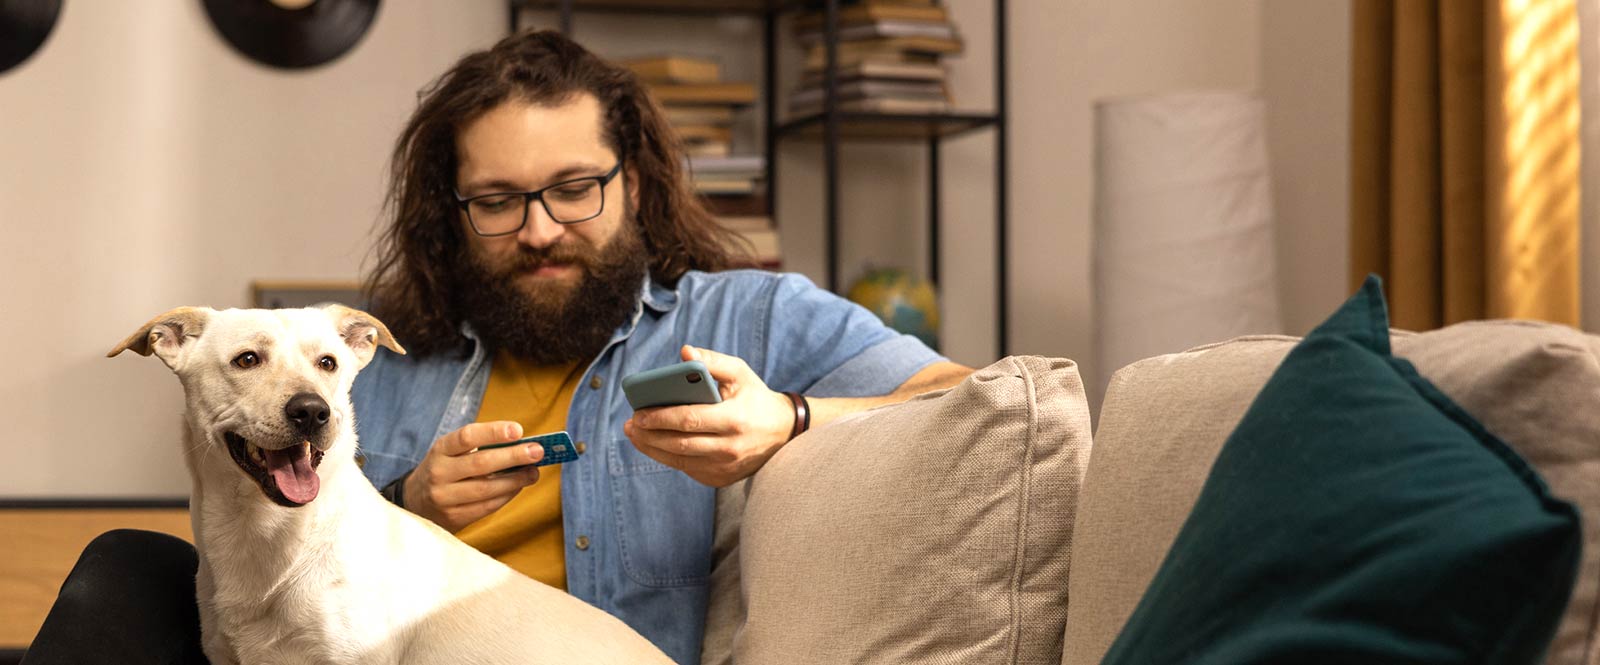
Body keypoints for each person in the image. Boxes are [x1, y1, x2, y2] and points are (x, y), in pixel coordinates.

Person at [22, 28, 970, 665]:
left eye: (573, 187)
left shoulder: (751, 316)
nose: (542, 227)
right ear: (454, 211)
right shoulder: (373, 359)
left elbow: (978, 397)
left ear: (632, 180)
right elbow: (330, 558)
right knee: (123, 571)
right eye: (498, 200)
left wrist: (791, 417)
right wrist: (412, 501)